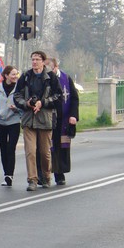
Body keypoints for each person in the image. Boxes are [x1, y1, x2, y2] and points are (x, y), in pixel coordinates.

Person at [13, 51, 63, 191]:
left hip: (45, 119)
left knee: (44, 152)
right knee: (30, 151)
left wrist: (43, 102)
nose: (34, 62)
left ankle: (46, 177)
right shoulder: (26, 76)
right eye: (33, 59)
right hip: (29, 119)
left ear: (43, 61)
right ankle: (32, 180)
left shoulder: (51, 77)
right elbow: (17, 96)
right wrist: (26, 103)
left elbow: (58, 96)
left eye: (37, 59)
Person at [47, 57, 79, 186]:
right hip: (49, 118)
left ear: (55, 67)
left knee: (61, 147)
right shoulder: (46, 79)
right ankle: (46, 174)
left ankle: (60, 174)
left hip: (64, 119)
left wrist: (73, 115)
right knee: (50, 147)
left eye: (49, 69)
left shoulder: (66, 78)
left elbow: (74, 98)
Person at [0, 65, 21, 187]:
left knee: (11, 148)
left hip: (14, 122)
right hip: (0, 122)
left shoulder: (19, 88)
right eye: (13, 74)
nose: (15, 76)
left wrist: (17, 109)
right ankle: (6, 174)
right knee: (3, 149)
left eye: (16, 74)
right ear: (6, 76)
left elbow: (23, 104)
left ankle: (9, 175)